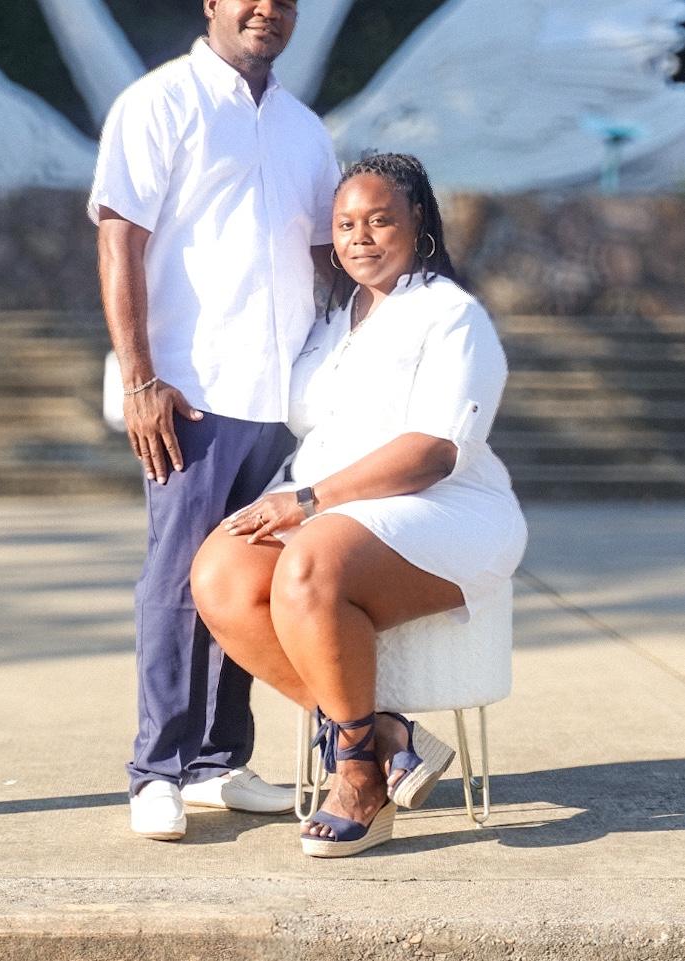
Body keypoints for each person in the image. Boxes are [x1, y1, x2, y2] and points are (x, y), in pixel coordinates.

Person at [191, 153, 528, 858]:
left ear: (418, 223)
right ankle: (382, 735)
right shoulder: (334, 319)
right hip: (333, 512)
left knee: (312, 560)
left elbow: (434, 451)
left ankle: (356, 779)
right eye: (346, 225)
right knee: (221, 572)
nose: (360, 237)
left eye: (380, 220)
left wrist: (307, 499)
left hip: (444, 509)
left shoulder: (449, 313)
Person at [87, 0, 340, 841]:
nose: (266, 9)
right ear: (212, 4)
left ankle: (217, 764)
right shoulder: (158, 102)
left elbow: (325, 260)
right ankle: (156, 770)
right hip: (190, 393)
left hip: (283, 400)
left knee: (244, 583)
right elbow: (120, 240)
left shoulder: (305, 130)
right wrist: (139, 379)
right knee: (175, 584)